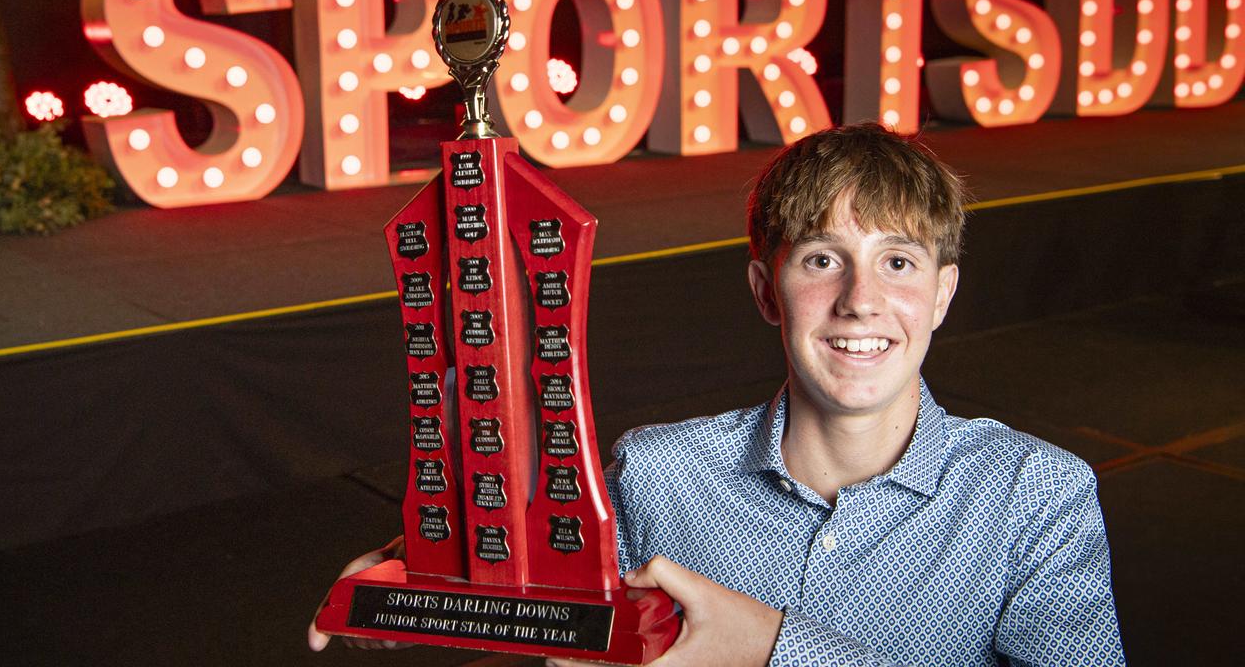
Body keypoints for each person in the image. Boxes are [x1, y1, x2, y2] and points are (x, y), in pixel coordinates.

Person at [310, 123, 1125, 666]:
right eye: (820, 259)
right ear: (766, 291)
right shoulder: (655, 474)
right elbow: (563, 615)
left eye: (899, 262)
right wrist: (439, 578)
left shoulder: (1035, 496)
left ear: (943, 295)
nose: (860, 300)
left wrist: (773, 646)